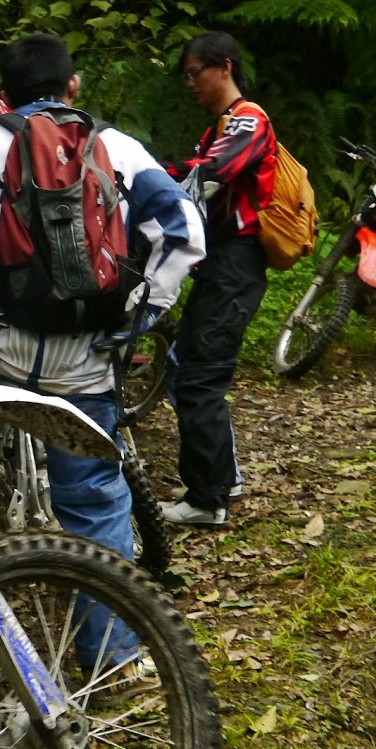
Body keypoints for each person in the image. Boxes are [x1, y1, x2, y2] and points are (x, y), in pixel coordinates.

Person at [0, 34, 206, 670]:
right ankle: (111, 655)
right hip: (85, 359)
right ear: (73, 86)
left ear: (3, 95)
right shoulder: (119, 148)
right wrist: (143, 312)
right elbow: (184, 233)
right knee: (95, 497)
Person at [160, 31, 275, 527]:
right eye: (185, 76)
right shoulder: (220, 127)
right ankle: (223, 479)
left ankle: (208, 500)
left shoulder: (248, 120)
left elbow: (212, 171)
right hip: (220, 264)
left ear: (224, 67)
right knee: (186, 364)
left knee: (199, 375)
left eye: (195, 72)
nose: (190, 83)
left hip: (236, 264)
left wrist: (146, 173)